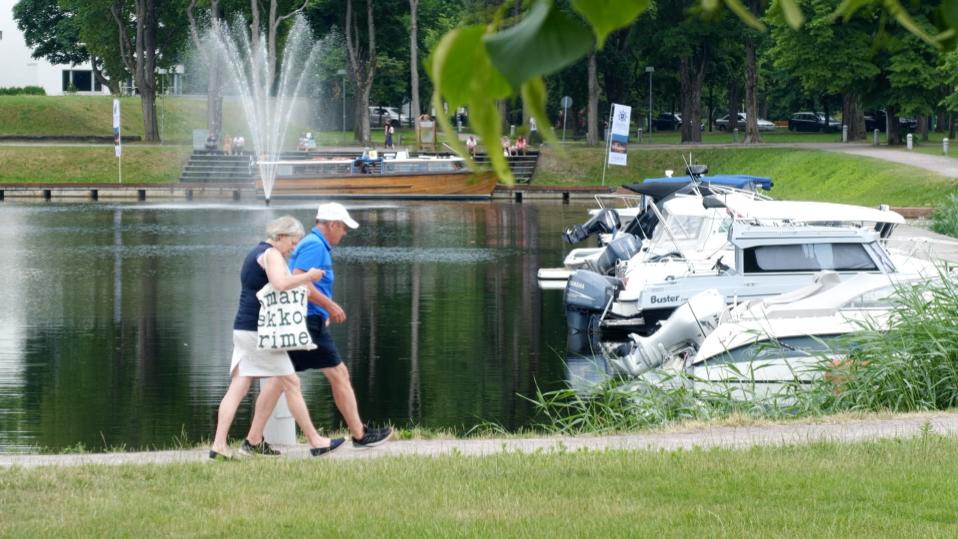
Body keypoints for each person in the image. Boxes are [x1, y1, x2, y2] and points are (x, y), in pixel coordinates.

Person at [247, 203, 393, 449]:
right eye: (344, 228)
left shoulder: (315, 244)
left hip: (307, 318)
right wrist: (330, 306)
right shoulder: (315, 245)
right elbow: (301, 282)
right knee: (338, 374)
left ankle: (252, 439)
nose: (344, 233)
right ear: (332, 224)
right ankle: (359, 434)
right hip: (307, 320)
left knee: (279, 380)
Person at [210, 216, 345, 460]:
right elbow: (281, 284)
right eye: (292, 243)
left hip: (243, 328)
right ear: (280, 236)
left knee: (238, 387)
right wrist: (309, 276)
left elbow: (277, 288)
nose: (294, 248)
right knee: (291, 382)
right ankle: (316, 442)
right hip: (259, 331)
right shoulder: (271, 254)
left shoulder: (254, 253)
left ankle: (219, 446)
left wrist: (309, 296)